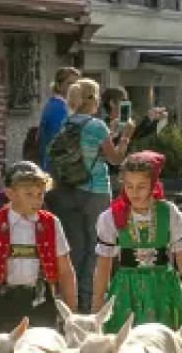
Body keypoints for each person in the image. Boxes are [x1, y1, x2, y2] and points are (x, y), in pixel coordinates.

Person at [93, 151, 182, 331]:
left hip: (162, 290)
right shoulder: (111, 217)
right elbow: (103, 264)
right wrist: (98, 304)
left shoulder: (169, 213)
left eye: (141, 186)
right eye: (129, 186)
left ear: (153, 185)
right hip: (126, 292)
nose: (134, 192)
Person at [46, 78, 132, 312]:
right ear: (92, 100)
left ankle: (68, 302)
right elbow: (115, 158)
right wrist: (125, 137)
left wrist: (110, 132)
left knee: (75, 246)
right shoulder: (96, 126)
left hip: (68, 190)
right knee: (97, 246)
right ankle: (88, 301)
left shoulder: (67, 123)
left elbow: (88, 147)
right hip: (94, 191)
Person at [0, 162, 76, 331]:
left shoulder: (51, 223)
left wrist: (71, 314)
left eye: (40, 194)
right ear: (10, 193)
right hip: (4, 303)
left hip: (41, 302)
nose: (37, 200)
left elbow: (65, 270)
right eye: (29, 194)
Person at [38, 67, 80, 170]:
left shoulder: (59, 105)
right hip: (58, 170)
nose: (74, 88)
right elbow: (63, 143)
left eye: (77, 85)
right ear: (58, 85)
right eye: (70, 83)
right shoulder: (58, 108)